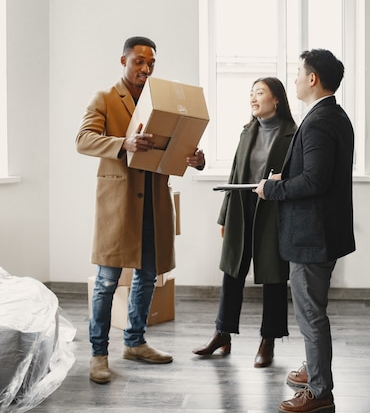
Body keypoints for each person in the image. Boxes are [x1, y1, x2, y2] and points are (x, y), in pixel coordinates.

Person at [76, 36, 205, 384]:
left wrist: (195, 158)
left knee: (148, 276)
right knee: (106, 282)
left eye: (151, 64)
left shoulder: (159, 102)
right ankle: (98, 354)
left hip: (154, 203)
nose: (145, 70)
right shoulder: (103, 98)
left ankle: (135, 342)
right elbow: (83, 139)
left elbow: (175, 146)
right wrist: (123, 143)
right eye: (139, 62)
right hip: (119, 206)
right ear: (123, 61)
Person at [255, 49, 355, 413]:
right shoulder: (333, 115)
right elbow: (318, 172)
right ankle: (314, 370)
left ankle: (319, 391)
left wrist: (273, 189)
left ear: (313, 78)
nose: (294, 78)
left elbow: (316, 180)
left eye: (298, 73)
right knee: (312, 311)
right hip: (323, 231)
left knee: (311, 314)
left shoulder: (317, 121)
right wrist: (287, 176)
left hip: (312, 235)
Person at [193, 77, 297, 367]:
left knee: (274, 278)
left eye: (260, 93)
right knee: (232, 273)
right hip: (242, 208)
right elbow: (235, 175)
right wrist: (224, 216)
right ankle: (222, 333)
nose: (253, 98)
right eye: (251, 94)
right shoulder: (246, 131)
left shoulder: (293, 133)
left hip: (273, 212)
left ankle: (269, 340)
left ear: (276, 99)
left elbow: (295, 178)